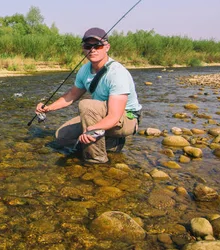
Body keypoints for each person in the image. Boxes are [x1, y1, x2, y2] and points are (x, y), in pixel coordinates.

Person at [35, 27, 141, 164]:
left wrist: (93, 129)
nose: (93, 49)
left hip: (127, 118)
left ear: (107, 47)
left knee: (86, 105)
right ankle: (111, 142)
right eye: (88, 46)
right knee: (61, 136)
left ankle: (96, 160)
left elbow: (114, 116)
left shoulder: (117, 73)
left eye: (98, 45)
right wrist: (48, 108)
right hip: (102, 115)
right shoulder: (84, 70)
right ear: (83, 48)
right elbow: (71, 95)